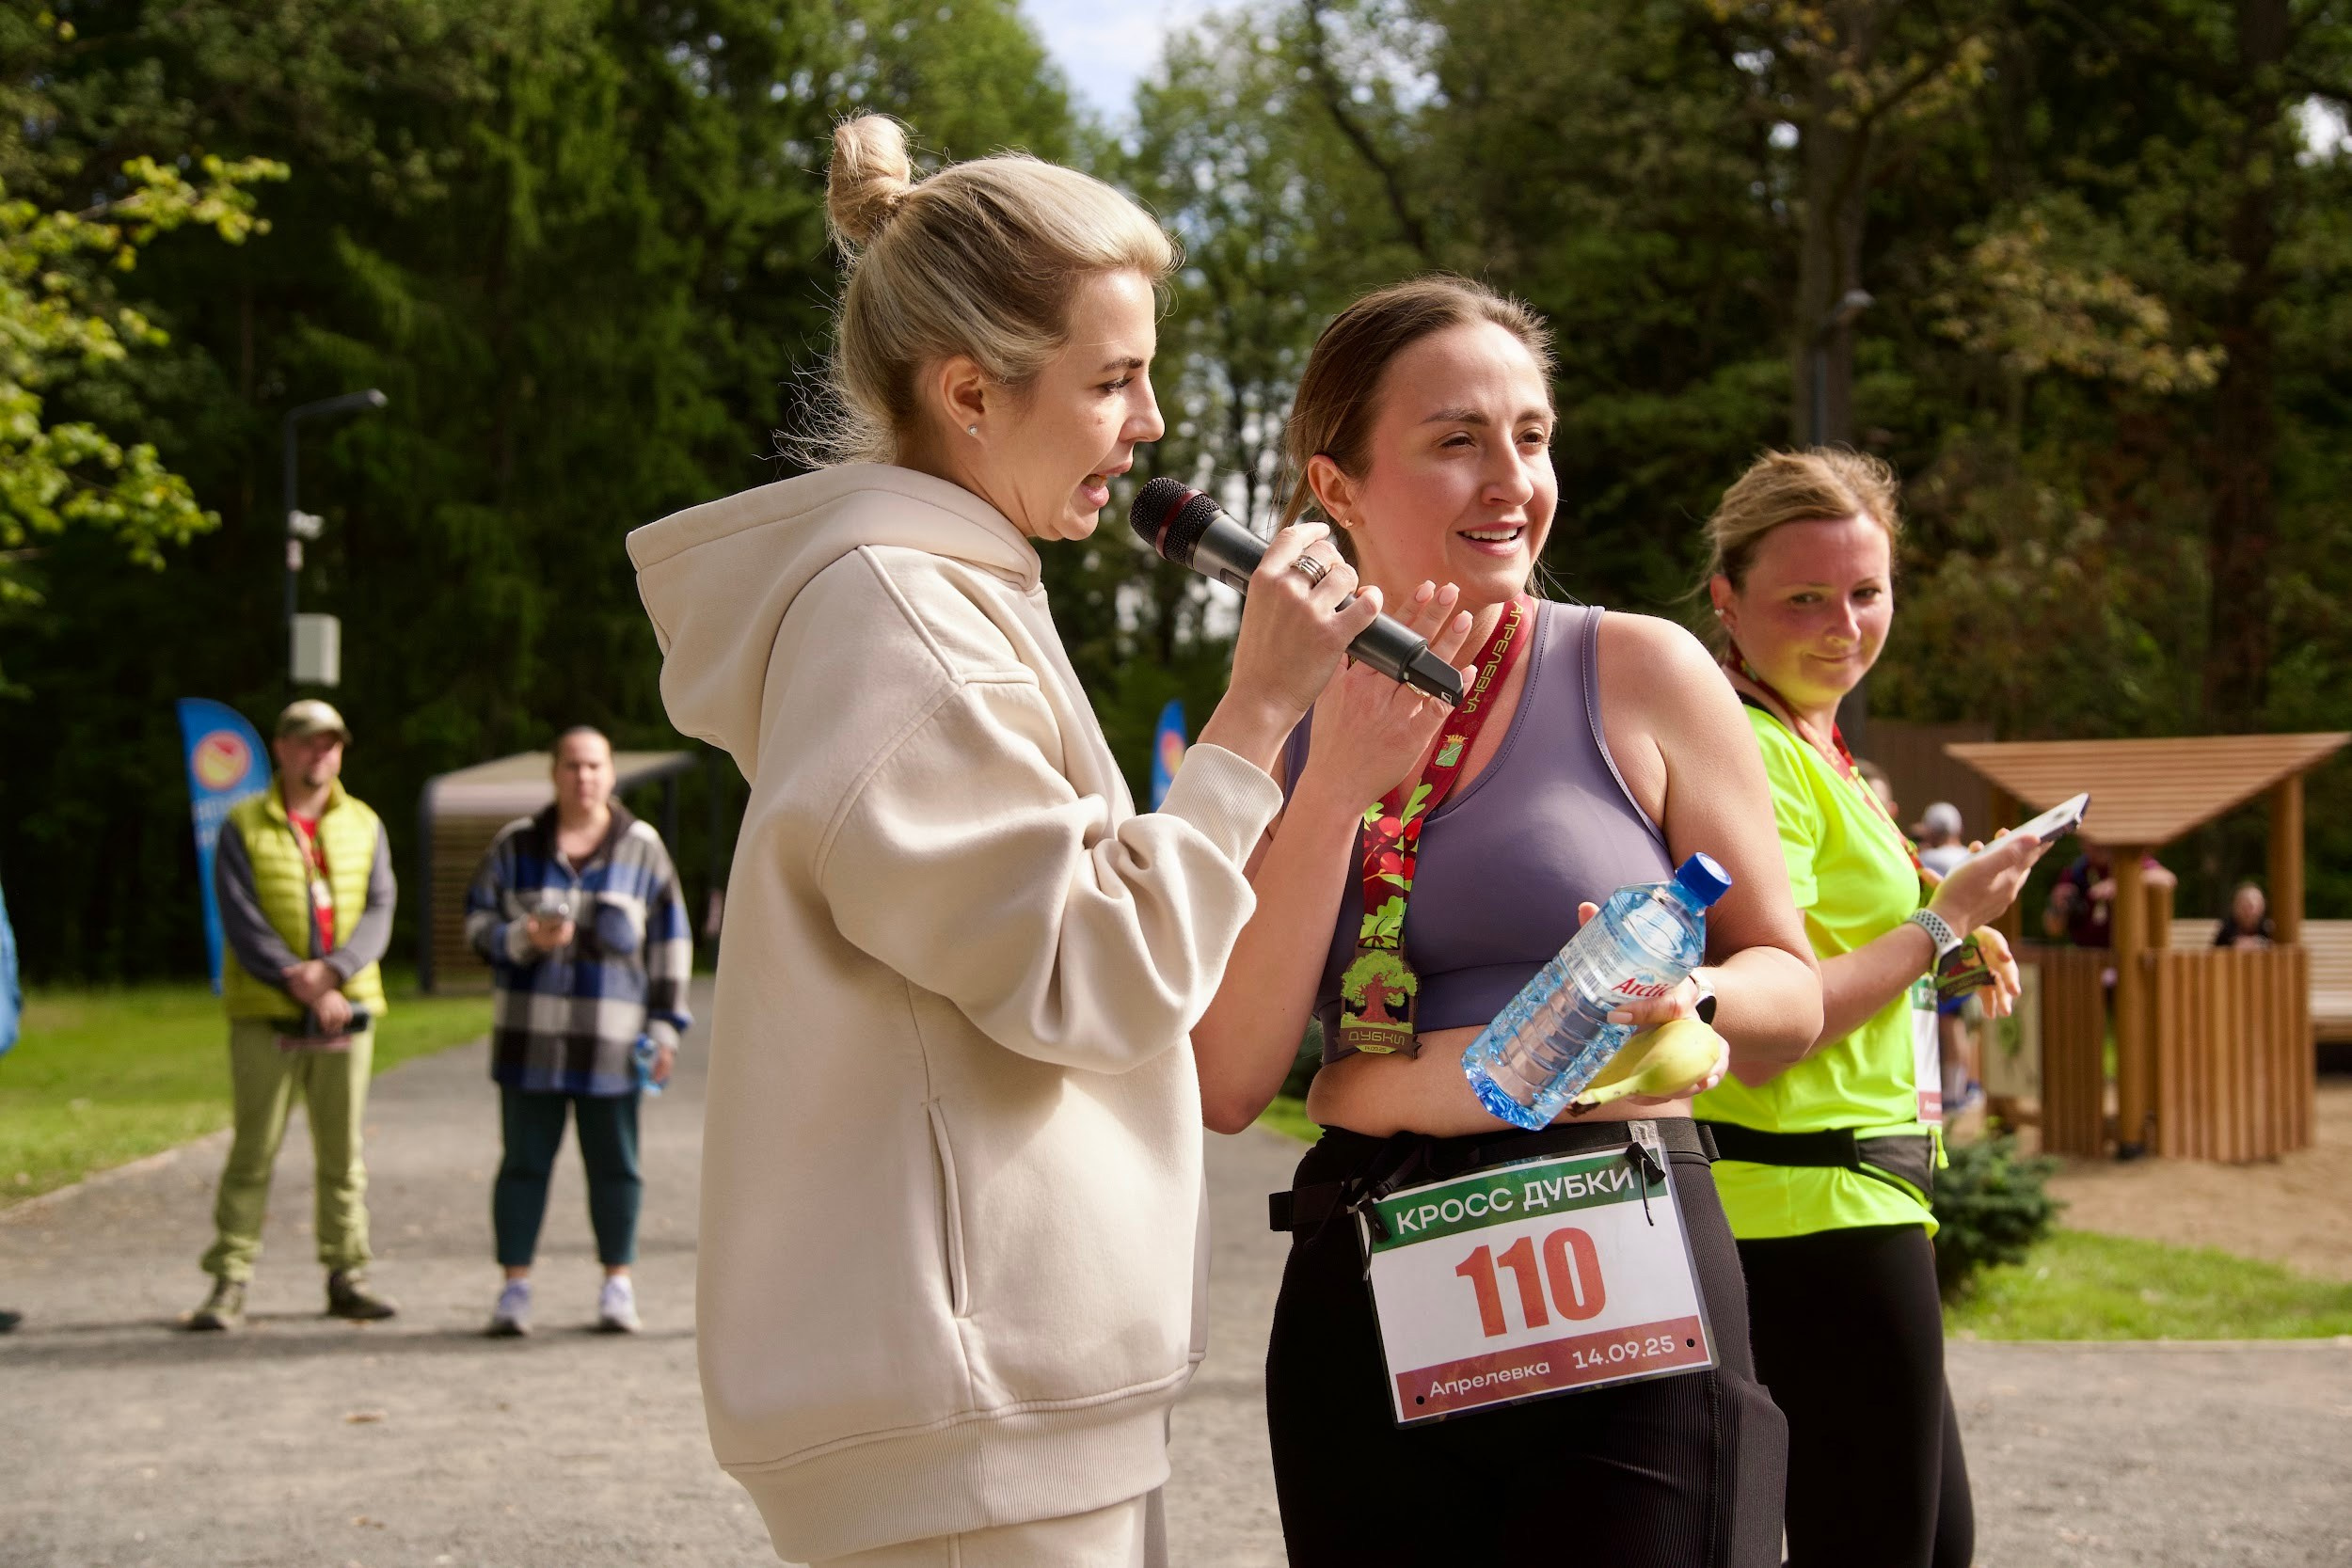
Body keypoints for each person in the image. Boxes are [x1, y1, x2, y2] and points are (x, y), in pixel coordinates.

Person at [626, 116, 1376, 1568]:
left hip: (1004, 1405)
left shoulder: (950, 596)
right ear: (968, 389)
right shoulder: (902, 620)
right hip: (976, 1422)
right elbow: (1096, 976)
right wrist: (1259, 710)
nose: (1153, 422)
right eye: (1112, 379)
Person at [1190, 277, 1823, 1567]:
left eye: (1531, 437)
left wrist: (1690, 997)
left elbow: (1790, 986)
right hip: (1371, 1257)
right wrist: (1334, 786)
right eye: (1456, 439)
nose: (1511, 481)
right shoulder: (1272, 711)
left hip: (1624, 1244)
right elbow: (1229, 1076)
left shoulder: (1640, 666)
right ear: (1337, 485)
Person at [1692, 450, 2046, 1568]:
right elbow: (1762, 1031)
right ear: (1725, 599)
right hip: (1807, 1208)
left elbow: (1829, 955)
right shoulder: (1752, 748)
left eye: (1864, 591)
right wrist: (1939, 920)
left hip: (1856, 1192)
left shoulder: (1810, 738)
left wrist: (1939, 952)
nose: (1843, 625)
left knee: (1931, 1541)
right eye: (1803, 596)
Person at [463, 726, 692, 1336]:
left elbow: (670, 944)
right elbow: (476, 923)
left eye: (594, 766)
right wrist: (522, 937)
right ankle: (514, 1288)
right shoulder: (515, 844)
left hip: (612, 1048)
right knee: (522, 1165)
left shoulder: (642, 848)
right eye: (572, 765)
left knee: (617, 1167)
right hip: (529, 1041)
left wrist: (666, 1029)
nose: (583, 777)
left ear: (611, 773)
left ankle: (618, 1285)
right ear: (554, 773)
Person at [188, 699, 398, 1331]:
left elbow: (380, 908)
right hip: (267, 1012)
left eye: (330, 743)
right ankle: (229, 1279)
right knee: (253, 1151)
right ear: (281, 748)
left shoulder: (364, 823)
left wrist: (334, 973)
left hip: (346, 1009)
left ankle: (347, 1273)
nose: (319, 754)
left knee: (343, 1156)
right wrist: (299, 981)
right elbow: (241, 916)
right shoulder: (243, 824)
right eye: (307, 742)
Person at [1911, 802, 1981, 1122]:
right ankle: (1968, 1088)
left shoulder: (1930, 859)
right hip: (1972, 944)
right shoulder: (1969, 856)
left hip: (1943, 946)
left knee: (1949, 1022)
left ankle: (1953, 1095)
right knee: (1969, 1024)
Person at [2043, 841, 2177, 950]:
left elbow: (2168, 879)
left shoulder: (2130, 862)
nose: (2096, 845)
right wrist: (2058, 908)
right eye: (2089, 840)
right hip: (2087, 959)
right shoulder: (2075, 873)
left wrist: (2122, 885)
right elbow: (2053, 929)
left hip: (2128, 957)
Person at [2215, 881, 2275, 948]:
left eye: (2256, 905)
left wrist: (2261, 943)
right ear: (2236, 907)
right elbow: (2217, 949)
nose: (2250, 911)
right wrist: (2233, 946)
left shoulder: (2267, 928)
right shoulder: (2228, 928)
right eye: (2245, 906)